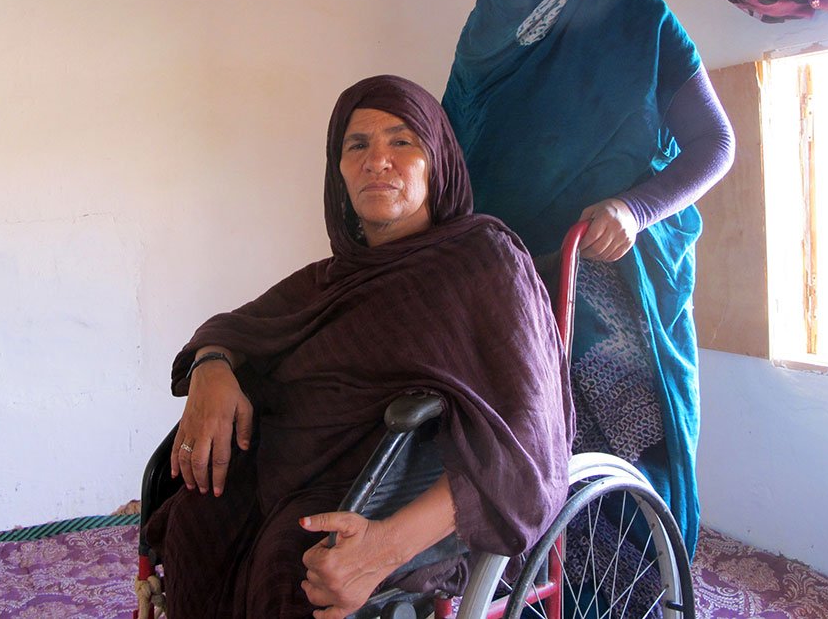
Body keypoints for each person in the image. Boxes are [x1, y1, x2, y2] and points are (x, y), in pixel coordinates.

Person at [145, 74, 574, 619]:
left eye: (402, 141)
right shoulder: (332, 278)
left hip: (405, 492)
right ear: (339, 171)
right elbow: (233, 328)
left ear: (437, 161)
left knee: (296, 567)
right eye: (357, 145)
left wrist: (387, 546)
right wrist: (211, 368)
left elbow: (532, 439)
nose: (377, 161)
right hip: (288, 471)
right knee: (196, 525)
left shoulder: (485, 260)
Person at [442, 0, 735, 565]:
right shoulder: (480, 39)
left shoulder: (637, 14)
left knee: (617, 427)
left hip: (605, 264)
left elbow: (715, 143)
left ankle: (639, 590)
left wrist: (635, 211)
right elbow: (452, 161)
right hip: (508, 275)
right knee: (504, 436)